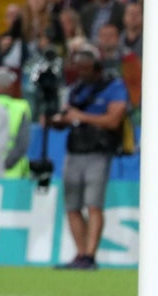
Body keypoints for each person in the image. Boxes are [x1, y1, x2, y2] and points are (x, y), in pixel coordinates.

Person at [53, 45, 128, 270]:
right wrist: (59, 120)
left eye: (86, 67)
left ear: (96, 66)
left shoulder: (113, 87)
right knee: (72, 206)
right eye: (79, 67)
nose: (82, 71)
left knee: (93, 204)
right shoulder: (76, 89)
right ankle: (80, 253)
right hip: (75, 150)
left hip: (98, 151)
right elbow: (68, 116)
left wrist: (81, 117)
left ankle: (90, 255)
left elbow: (113, 120)